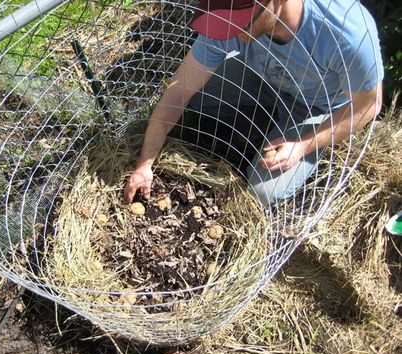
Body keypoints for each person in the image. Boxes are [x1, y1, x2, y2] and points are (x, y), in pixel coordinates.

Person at [123, 0, 384, 207]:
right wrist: (145, 163)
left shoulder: (346, 34)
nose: (230, 28)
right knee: (197, 99)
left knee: (262, 192)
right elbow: (177, 95)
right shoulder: (226, 19)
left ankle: (284, 134)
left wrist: (303, 145)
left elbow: (369, 106)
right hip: (257, 77)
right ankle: (262, 122)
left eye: (240, 19)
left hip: (312, 107)